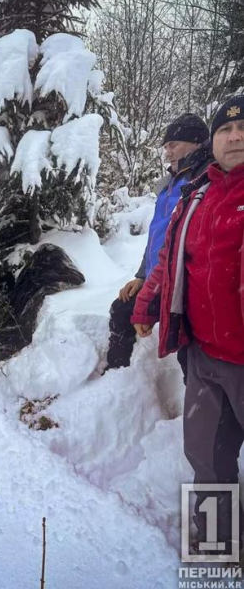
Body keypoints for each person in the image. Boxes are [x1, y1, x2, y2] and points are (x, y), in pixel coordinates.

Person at [132, 95, 244, 555]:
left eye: (242, 129)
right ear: (212, 142)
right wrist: (144, 303)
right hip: (202, 355)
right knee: (207, 456)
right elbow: (168, 256)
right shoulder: (197, 193)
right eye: (225, 130)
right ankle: (217, 546)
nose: (235, 136)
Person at [104, 113, 211, 380]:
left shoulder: (204, 180)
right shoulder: (170, 185)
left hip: (183, 283)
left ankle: (196, 408)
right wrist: (142, 276)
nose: (167, 152)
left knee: (192, 350)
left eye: (173, 144)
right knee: (122, 308)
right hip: (158, 276)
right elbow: (157, 236)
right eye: (165, 146)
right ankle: (118, 378)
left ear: (196, 143)